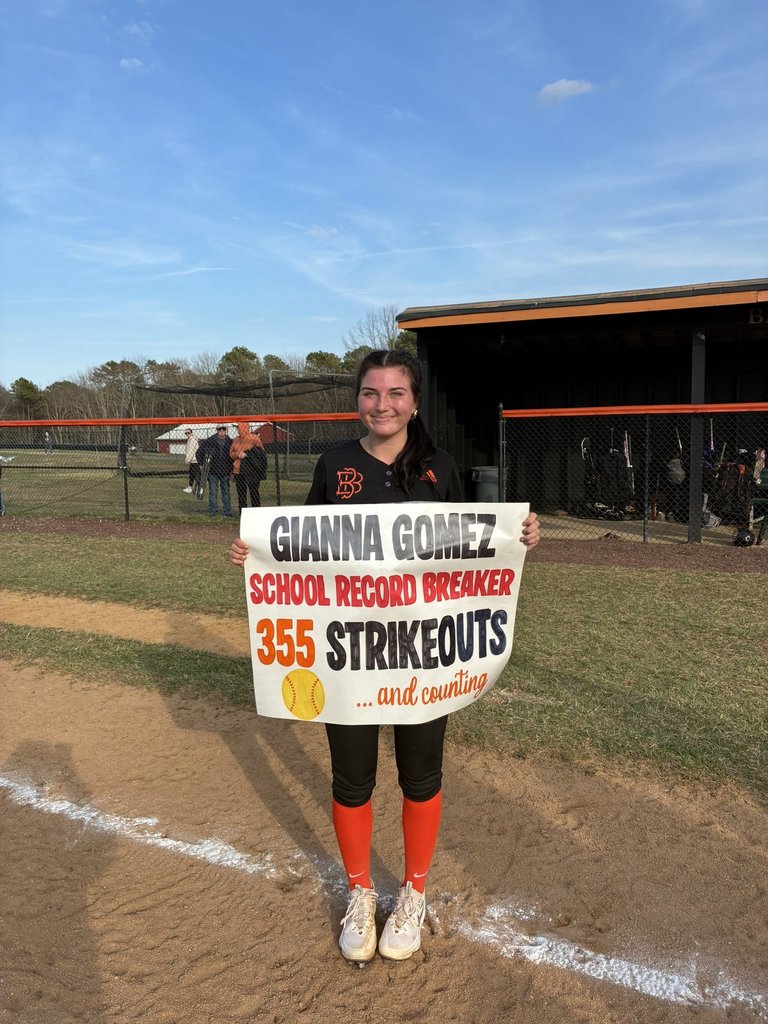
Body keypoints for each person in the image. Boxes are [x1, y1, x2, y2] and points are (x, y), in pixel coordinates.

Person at [229, 349, 540, 965]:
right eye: (371, 393)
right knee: (353, 777)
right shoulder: (335, 463)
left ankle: (415, 893)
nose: (383, 404)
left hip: (423, 656)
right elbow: (306, 549)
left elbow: (473, 550)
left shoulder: (439, 467)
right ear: (358, 401)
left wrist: (520, 537)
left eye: (396, 393)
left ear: (414, 402)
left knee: (420, 775)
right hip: (349, 657)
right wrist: (255, 554)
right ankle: (361, 890)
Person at [197, 425, 234, 517]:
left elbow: (233, 456)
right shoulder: (210, 441)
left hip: (225, 471)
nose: (221, 431)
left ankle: (227, 512)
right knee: (213, 492)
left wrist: (232, 469)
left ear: (226, 430)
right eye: (219, 429)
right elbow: (199, 452)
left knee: (225, 492)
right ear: (217, 430)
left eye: (223, 429)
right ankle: (212, 512)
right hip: (212, 471)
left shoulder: (230, 442)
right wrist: (201, 464)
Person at [229, 423, 267, 510]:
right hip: (238, 471)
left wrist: (248, 454)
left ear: (243, 428)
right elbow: (231, 453)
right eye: (237, 428)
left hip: (252, 471)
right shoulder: (236, 439)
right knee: (241, 494)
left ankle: (256, 511)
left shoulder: (254, 438)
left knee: (254, 492)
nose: (237, 430)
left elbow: (261, 453)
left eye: (238, 428)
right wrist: (238, 454)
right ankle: (243, 513)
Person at [182, 429, 200, 494]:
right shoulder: (191, 440)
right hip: (193, 460)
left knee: (195, 475)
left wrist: (187, 460)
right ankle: (190, 487)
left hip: (194, 460)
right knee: (192, 475)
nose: (187, 434)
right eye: (186, 433)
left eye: (188, 433)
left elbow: (190, 451)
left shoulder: (192, 440)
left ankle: (199, 489)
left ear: (191, 433)